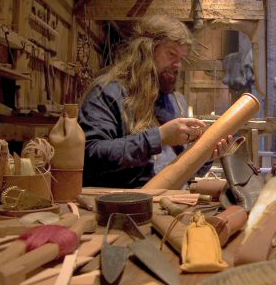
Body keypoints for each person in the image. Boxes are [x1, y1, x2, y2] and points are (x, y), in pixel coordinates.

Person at [79, 15, 233, 188]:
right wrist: (159, 137)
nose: (178, 65)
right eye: (171, 54)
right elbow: (89, 155)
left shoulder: (176, 101)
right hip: (126, 205)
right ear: (146, 51)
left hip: (171, 201)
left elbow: (182, 170)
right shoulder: (108, 92)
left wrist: (204, 156)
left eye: (181, 58)